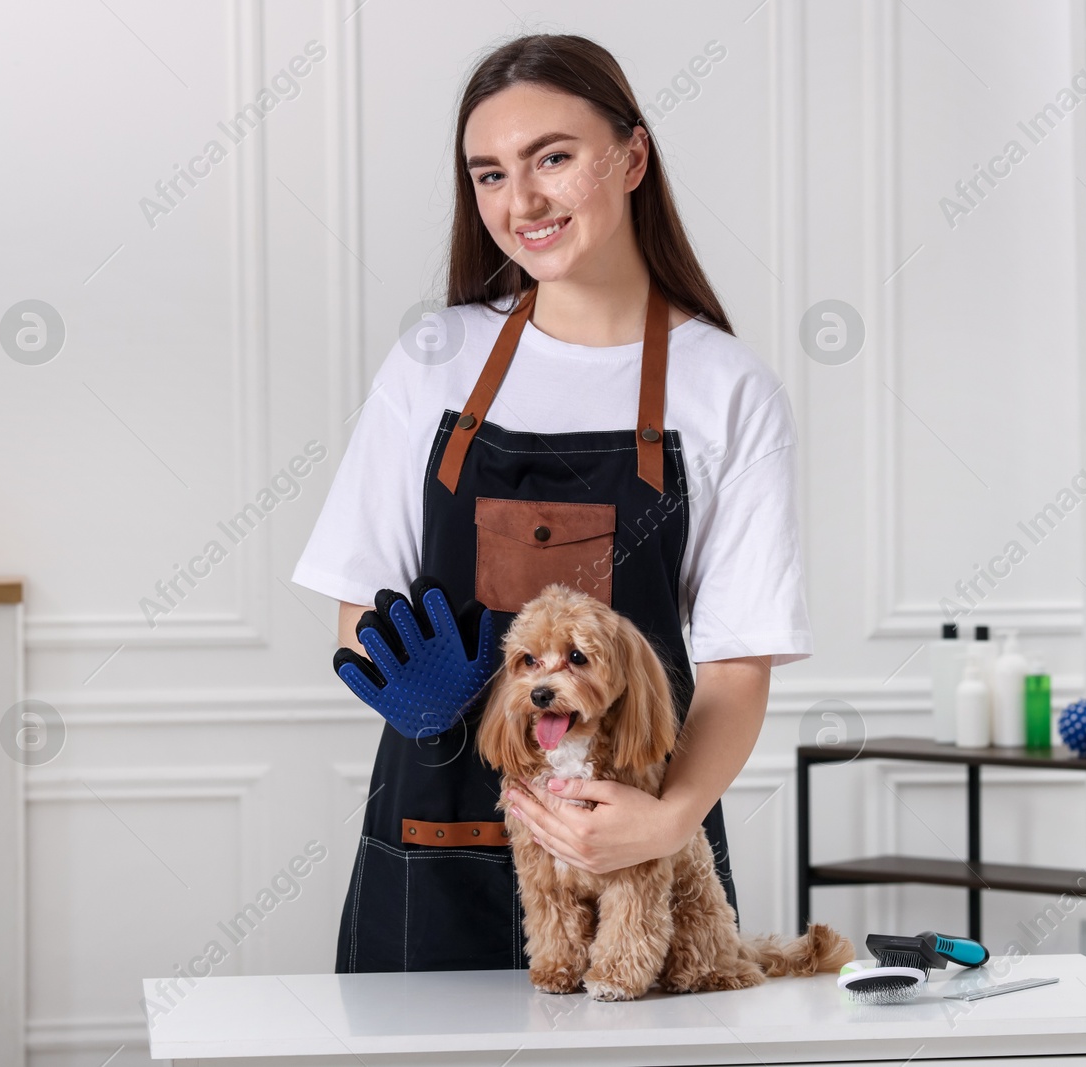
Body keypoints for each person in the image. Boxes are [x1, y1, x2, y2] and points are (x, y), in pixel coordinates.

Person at [290, 33, 812, 974]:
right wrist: (426, 690)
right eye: (489, 175)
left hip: (638, 852)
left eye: (553, 159)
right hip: (433, 840)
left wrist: (666, 818)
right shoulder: (431, 364)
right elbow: (358, 603)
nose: (520, 202)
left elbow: (738, 668)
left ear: (633, 157)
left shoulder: (728, 388)